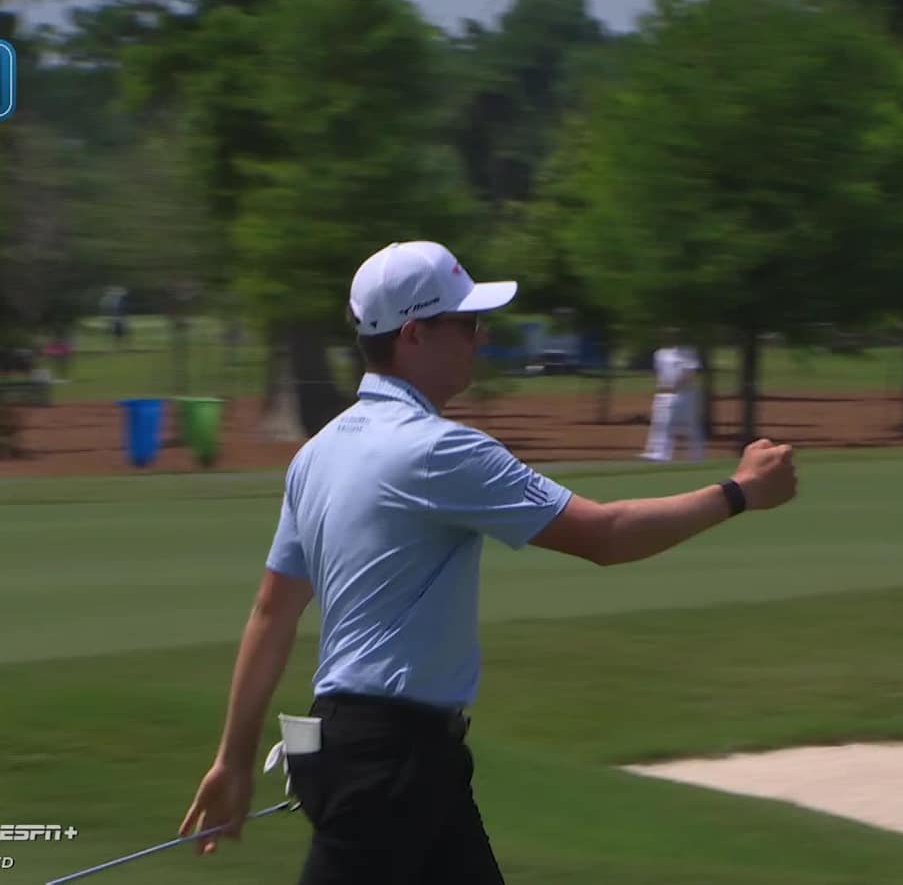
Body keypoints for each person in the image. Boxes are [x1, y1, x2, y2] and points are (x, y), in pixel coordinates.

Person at [177, 240, 798, 884]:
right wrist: (739, 494)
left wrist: (234, 759)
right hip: (390, 763)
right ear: (414, 334)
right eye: (467, 322)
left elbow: (272, 611)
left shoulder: (319, 452)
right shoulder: (439, 450)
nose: (481, 336)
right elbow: (605, 536)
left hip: (372, 751)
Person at [640, 331, 704, 462]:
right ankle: (660, 453)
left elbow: (690, 372)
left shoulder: (688, 352)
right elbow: (659, 373)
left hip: (685, 393)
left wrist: (676, 385)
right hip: (664, 393)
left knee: (690, 425)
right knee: (661, 423)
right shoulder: (660, 354)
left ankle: (696, 455)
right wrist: (660, 388)